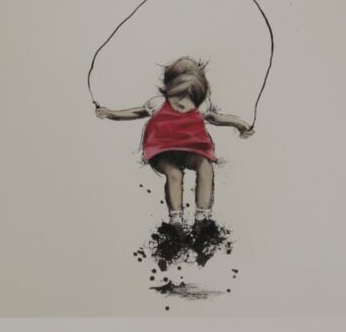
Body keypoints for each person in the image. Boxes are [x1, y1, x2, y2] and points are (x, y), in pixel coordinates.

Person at [94, 57, 253, 222]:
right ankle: (176, 220)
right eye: (177, 97)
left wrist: (239, 124)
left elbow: (216, 118)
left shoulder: (201, 106)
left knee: (205, 166)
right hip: (162, 150)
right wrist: (110, 114)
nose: (181, 104)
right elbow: (136, 113)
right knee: (174, 173)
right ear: (168, 89)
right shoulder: (158, 103)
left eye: (188, 100)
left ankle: (203, 217)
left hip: (191, 149)